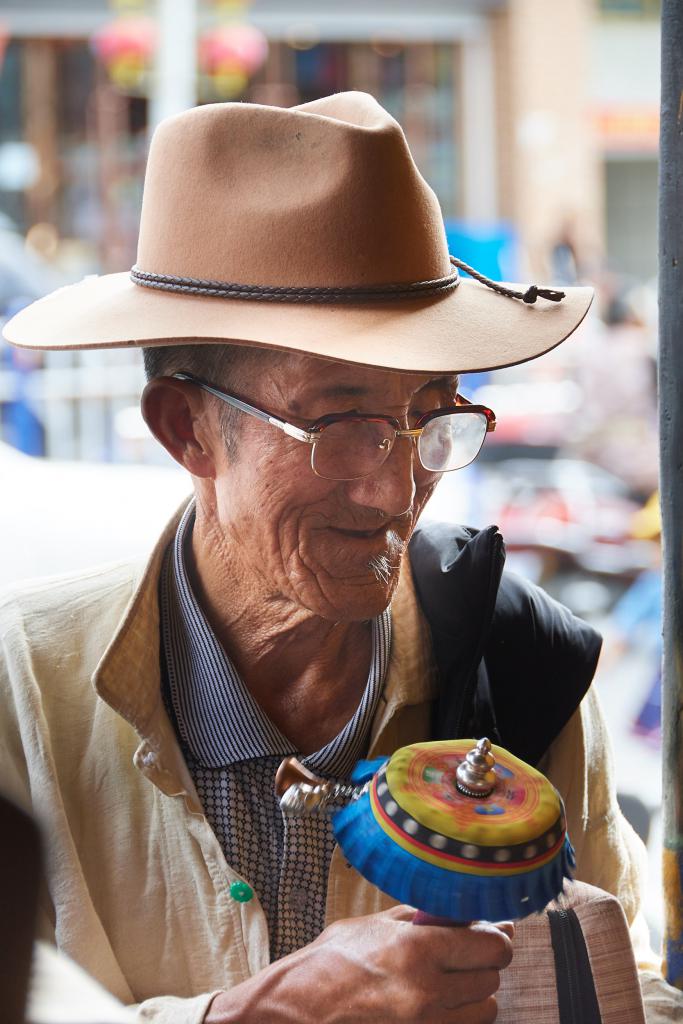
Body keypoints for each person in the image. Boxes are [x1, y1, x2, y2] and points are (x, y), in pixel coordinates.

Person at [1, 92, 678, 1023]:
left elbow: (624, 992)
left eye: (430, 415)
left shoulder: (522, 670)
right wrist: (252, 1014)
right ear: (186, 428)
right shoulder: (20, 696)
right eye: (340, 422)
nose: (396, 491)